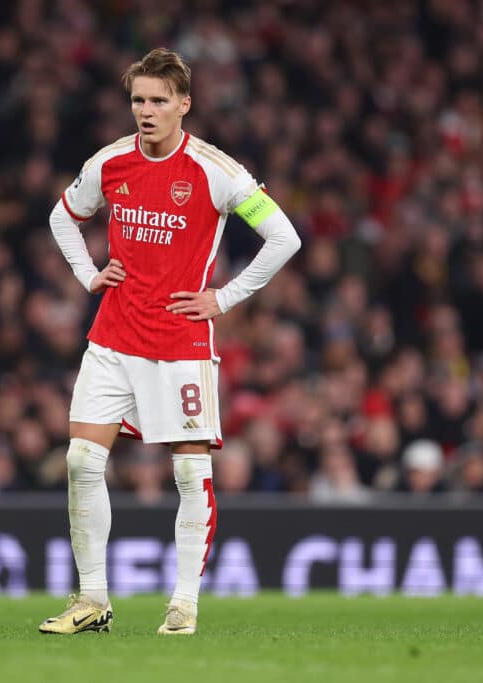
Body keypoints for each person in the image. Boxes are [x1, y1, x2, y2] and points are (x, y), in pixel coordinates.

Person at [40, 48, 301, 635]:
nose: (146, 110)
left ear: (185, 104)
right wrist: (88, 275)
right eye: (138, 99)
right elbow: (63, 216)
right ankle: (92, 600)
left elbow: (284, 237)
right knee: (81, 460)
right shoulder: (110, 162)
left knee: (189, 474)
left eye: (159, 100)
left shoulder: (216, 170)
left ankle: (184, 604)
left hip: (180, 343)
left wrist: (223, 298)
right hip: (112, 337)